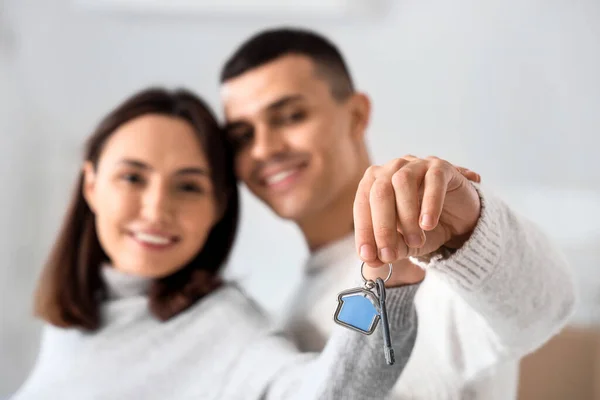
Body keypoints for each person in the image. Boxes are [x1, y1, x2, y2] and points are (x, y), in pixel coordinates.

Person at [218, 27, 576, 399]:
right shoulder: (286, 317)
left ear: (357, 115)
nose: (263, 150)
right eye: (242, 136)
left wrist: (469, 236)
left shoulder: (435, 257)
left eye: (291, 116)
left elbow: (546, 307)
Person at [11, 87, 420, 400]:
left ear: (218, 206)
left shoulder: (225, 328)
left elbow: (327, 393)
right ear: (91, 184)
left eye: (188, 186)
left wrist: (387, 282)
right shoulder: (76, 316)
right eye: (133, 177)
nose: (156, 210)